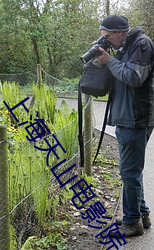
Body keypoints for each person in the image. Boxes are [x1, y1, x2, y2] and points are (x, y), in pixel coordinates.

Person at [96, 15, 154, 237]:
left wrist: (109, 61)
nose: (107, 41)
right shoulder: (125, 46)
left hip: (136, 118)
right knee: (131, 171)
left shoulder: (142, 44)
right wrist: (105, 59)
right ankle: (141, 214)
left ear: (120, 32)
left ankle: (132, 223)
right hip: (126, 117)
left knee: (129, 171)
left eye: (108, 36)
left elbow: (134, 77)